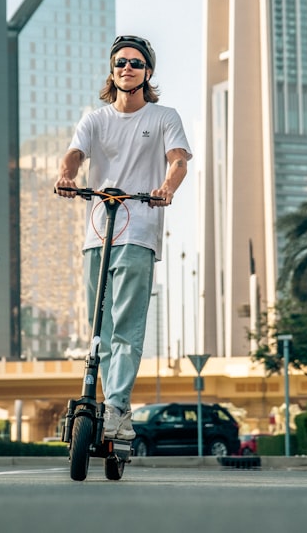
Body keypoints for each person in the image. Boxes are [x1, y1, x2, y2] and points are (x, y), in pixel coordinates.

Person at [55, 34, 192, 440]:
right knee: (99, 326)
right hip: (98, 232)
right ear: (112, 71)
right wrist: (67, 176)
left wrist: (167, 187)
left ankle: (115, 407)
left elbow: (179, 161)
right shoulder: (95, 119)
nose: (127, 68)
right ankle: (106, 401)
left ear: (147, 71)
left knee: (126, 327)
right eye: (120, 63)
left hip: (140, 230)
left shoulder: (164, 117)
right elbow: (75, 154)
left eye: (135, 63)